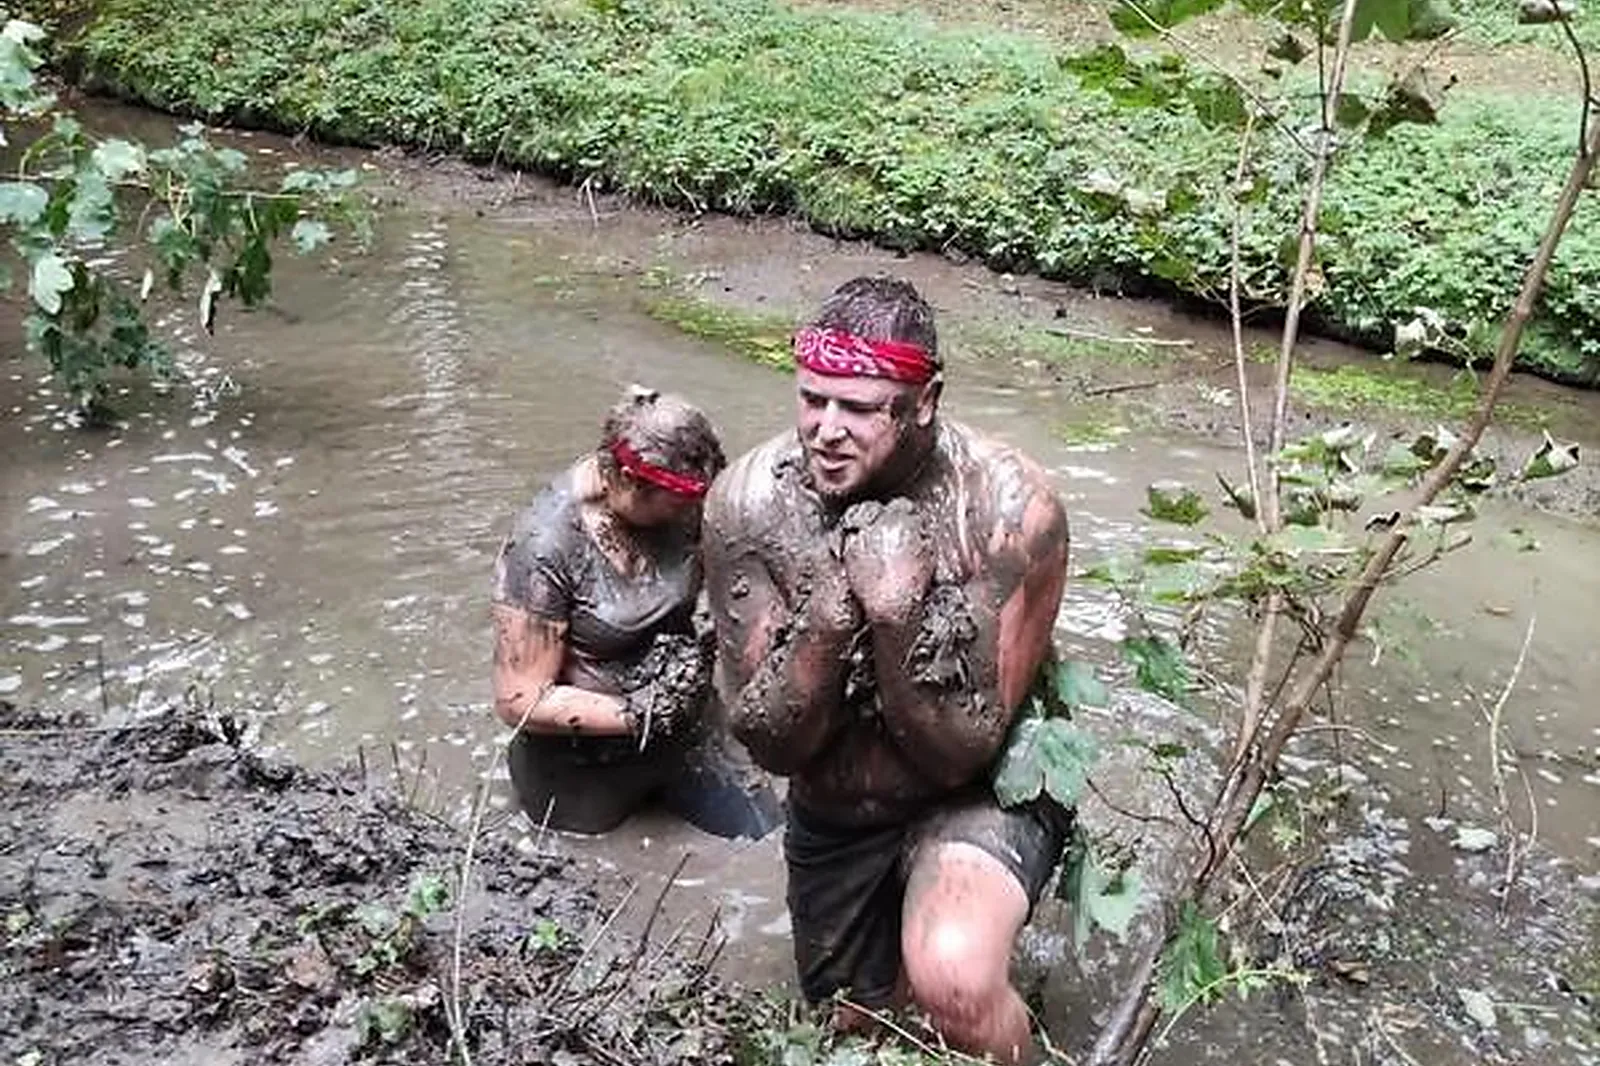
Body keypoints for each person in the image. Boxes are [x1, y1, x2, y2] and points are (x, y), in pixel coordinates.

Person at [702, 277, 1071, 1063]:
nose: (826, 431)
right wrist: (833, 616)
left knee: (953, 981)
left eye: (860, 409)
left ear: (924, 402)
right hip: (836, 806)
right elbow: (768, 743)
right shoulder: (746, 506)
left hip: (983, 791)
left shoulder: (1010, 510)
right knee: (856, 1034)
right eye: (813, 400)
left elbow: (962, 753)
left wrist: (899, 614)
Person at [490, 386, 780, 840]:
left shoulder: (687, 496)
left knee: (766, 837)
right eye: (682, 502)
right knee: (584, 864)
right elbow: (519, 700)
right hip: (582, 762)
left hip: (687, 729)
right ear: (627, 480)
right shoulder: (544, 546)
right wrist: (642, 712)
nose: (696, 510)